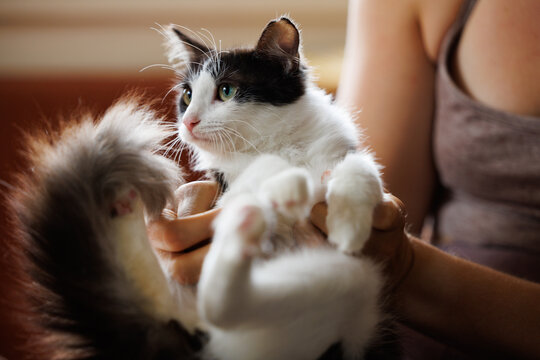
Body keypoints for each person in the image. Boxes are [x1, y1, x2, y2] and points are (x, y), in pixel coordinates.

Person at [149, 0, 540, 358]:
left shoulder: (320, 134)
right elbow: (386, 216)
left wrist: (402, 265)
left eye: (225, 90)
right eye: (187, 97)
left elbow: (373, 224)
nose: (190, 118)